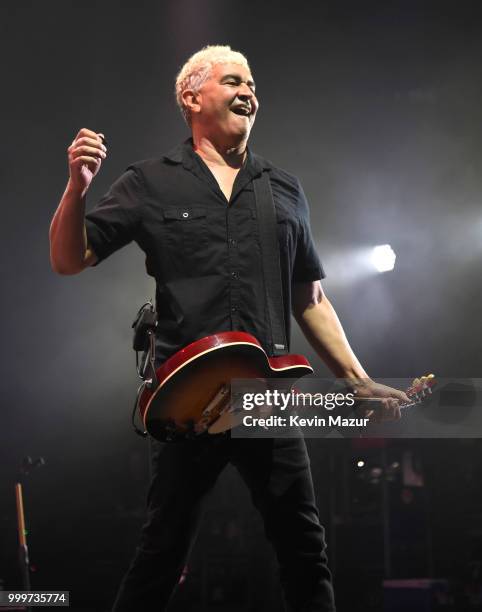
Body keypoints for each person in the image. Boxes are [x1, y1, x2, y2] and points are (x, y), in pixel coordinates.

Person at [49, 45, 408, 612]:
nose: (250, 93)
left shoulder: (283, 188)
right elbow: (70, 258)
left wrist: (358, 379)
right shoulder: (150, 181)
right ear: (192, 98)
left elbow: (309, 297)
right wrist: (78, 187)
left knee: (304, 547)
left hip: (266, 398)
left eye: (253, 85)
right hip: (188, 399)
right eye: (234, 81)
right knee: (162, 551)